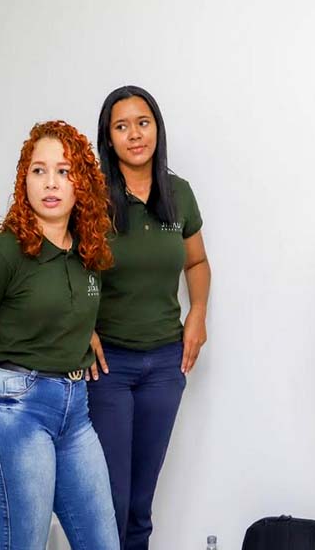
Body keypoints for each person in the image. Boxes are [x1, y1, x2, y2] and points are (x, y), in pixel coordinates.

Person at [0, 120, 119, 550]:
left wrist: (84, 336)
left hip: (75, 413)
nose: (51, 183)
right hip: (14, 410)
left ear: (82, 181)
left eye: (63, 170)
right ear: (24, 181)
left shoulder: (88, 252)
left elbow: (65, 309)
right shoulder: (3, 254)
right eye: (38, 170)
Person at [87, 85, 210, 550]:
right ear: (109, 137)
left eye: (143, 123)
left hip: (164, 364)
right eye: (122, 126)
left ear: (157, 128)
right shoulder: (91, 196)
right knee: (110, 501)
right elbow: (67, 269)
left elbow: (196, 263)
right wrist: (84, 329)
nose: (135, 135)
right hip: (107, 368)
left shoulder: (178, 193)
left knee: (141, 504)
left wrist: (197, 313)